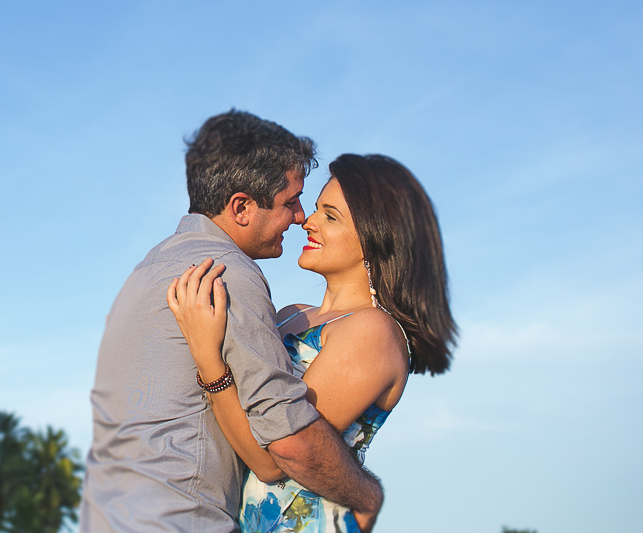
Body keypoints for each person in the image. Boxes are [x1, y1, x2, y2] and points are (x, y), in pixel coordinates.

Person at [80, 111, 384, 533]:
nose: (300, 217)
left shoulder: (149, 269)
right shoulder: (226, 275)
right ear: (241, 207)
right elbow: (287, 445)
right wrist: (368, 495)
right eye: (290, 202)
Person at [167, 153, 457, 533]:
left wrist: (209, 360)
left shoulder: (374, 333)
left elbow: (276, 458)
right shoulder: (290, 314)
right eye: (316, 208)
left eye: (330, 216)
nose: (307, 220)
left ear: (375, 239)